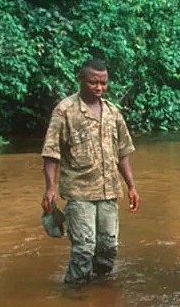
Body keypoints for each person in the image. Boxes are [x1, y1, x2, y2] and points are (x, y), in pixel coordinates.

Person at [41, 57, 140, 287]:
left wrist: (132, 186)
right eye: (93, 82)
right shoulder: (65, 111)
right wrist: (50, 188)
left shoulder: (113, 113)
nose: (99, 88)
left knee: (108, 248)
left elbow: (123, 152)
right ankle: (74, 294)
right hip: (79, 192)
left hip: (109, 192)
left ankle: (100, 292)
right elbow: (51, 153)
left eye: (104, 83)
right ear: (81, 80)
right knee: (84, 248)